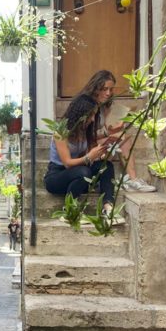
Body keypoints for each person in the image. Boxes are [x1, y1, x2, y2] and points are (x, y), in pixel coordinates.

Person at [43, 81, 123, 224]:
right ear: (80, 115)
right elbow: (67, 163)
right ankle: (69, 212)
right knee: (83, 172)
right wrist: (89, 157)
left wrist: (103, 149)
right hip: (56, 176)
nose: (92, 119)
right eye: (90, 116)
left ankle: (108, 209)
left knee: (106, 166)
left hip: (79, 174)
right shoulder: (60, 132)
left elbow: (92, 146)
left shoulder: (84, 130)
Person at [91, 71, 156, 192]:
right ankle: (104, 179)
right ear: (96, 88)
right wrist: (108, 132)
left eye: (111, 89)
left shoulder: (105, 104)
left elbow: (107, 125)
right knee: (119, 136)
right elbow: (86, 136)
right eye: (105, 89)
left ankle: (133, 179)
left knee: (123, 135)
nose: (108, 93)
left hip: (102, 140)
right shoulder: (88, 105)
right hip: (89, 146)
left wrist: (118, 124)